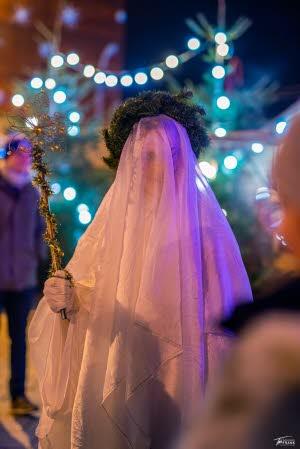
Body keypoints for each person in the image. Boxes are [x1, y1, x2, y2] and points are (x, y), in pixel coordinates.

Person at [29, 91, 252, 449]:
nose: (156, 168)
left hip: (183, 377)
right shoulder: (111, 227)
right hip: (119, 366)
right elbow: (91, 296)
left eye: (167, 156)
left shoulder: (206, 234)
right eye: (146, 157)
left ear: (181, 160)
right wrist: (68, 298)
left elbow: (225, 325)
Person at [0, 136, 45, 414]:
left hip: (22, 278)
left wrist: (37, 258)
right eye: (18, 152)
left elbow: (39, 230)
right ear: (7, 155)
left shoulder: (33, 191)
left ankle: (18, 396)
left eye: (29, 152)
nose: (24, 157)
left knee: (19, 338)